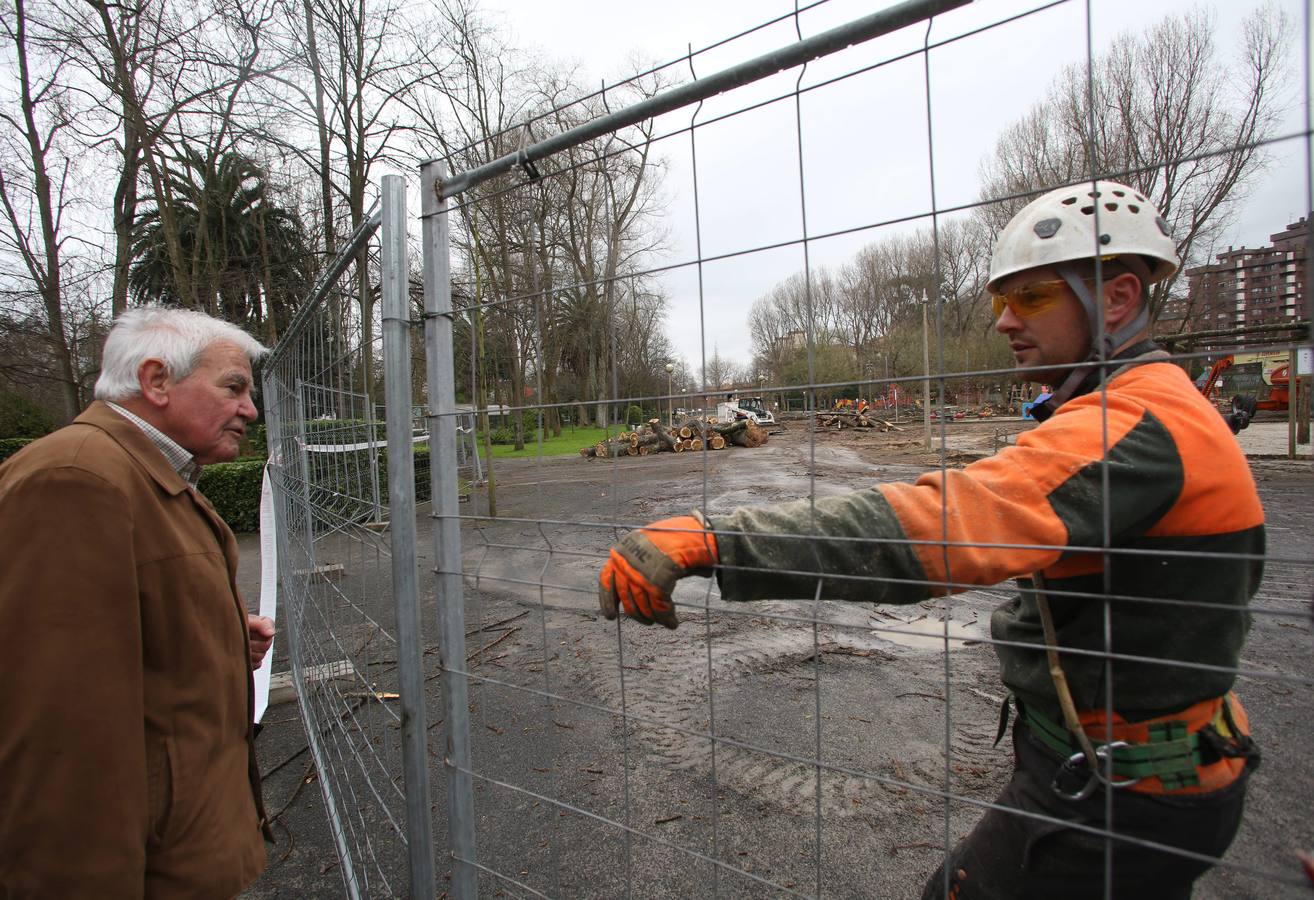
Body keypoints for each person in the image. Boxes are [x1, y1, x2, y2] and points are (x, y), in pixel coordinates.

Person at [598, 182, 1263, 899]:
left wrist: (715, 538)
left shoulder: (1133, 427)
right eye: (1000, 302)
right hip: (1137, 767)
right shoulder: (1147, 407)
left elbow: (942, 524)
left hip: (1122, 793)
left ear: (1121, 299)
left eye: (1032, 298)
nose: (1006, 321)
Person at [0, 307, 276, 897]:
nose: (249, 410)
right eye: (234, 387)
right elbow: (62, 734)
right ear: (156, 382)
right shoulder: (76, 481)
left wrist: (223, 640)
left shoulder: (143, 473)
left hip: (178, 853)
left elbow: (127, 640)